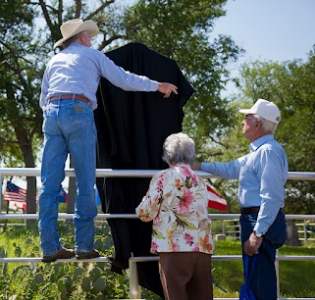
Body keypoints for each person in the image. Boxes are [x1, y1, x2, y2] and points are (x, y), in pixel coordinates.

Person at [38, 18, 178, 263]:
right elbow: (123, 79)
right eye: (88, 36)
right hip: (79, 111)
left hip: (51, 114)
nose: (91, 39)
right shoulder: (92, 55)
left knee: (49, 184)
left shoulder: (54, 60)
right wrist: (158, 85)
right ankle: (83, 247)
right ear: (81, 37)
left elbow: (43, 98)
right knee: (84, 180)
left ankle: (49, 248)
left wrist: (55, 114)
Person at [194, 99, 288, 300]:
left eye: (247, 117)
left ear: (258, 123)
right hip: (255, 219)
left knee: (259, 284)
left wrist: (258, 233)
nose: (243, 121)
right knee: (255, 281)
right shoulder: (257, 153)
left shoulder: (267, 152)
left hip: (259, 220)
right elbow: (230, 169)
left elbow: (271, 197)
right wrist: (199, 165)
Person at [136, 133, 213, 300]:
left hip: (174, 249)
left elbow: (145, 213)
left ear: (167, 155)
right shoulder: (200, 180)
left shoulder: (163, 177)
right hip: (202, 249)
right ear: (191, 155)